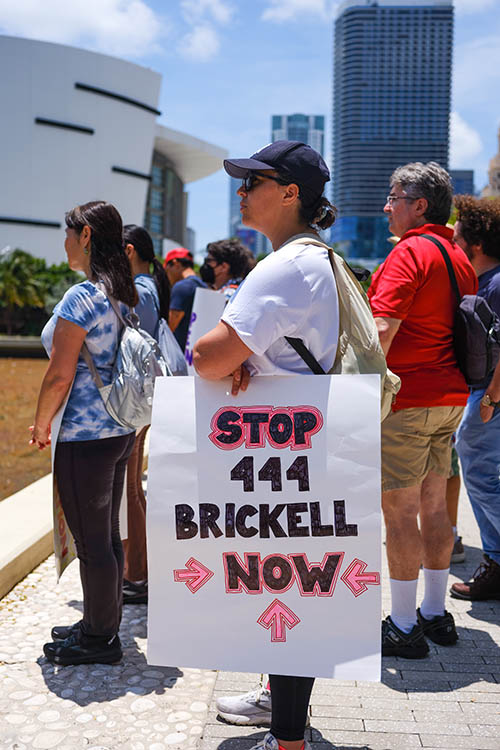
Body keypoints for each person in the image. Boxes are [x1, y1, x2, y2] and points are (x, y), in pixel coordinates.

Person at [193, 140, 337, 750]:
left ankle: (288, 741)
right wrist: (243, 359)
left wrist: (229, 357)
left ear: (290, 193)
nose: (241, 191)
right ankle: (281, 710)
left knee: (287, 587)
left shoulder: (280, 266)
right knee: (290, 583)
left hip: (282, 452)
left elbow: (206, 356)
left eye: (254, 181)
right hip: (299, 446)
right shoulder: (318, 259)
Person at [367, 162, 477, 659]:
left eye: (394, 197)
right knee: (435, 506)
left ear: (420, 204)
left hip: (407, 400)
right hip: (451, 397)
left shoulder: (410, 252)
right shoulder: (459, 255)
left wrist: (358, 392)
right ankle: (436, 613)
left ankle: (403, 624)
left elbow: (382, 327)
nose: (387, 206)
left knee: (399, 511)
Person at [31, 201, 137, 665]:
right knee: (107, 537)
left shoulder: (81, 297)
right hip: (118, 432)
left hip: (83, 437)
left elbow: (59, 375)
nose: (66, 242)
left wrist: (39, 425)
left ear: (87, 235)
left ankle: (99, 640)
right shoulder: (121, 294)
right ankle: (101, 623)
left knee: (93, 543)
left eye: (69, 233)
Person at [450, 195, 500, 601]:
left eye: (458, 231)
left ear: (476, 243)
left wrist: (491, 398)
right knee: (481, 475)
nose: (453, 236)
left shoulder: (497, 283)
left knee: (481, 477)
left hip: (491, 394)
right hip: (482, 392)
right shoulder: (482, 281)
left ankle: (497, 562)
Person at [122, 224, 171, 605]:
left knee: (129, 489)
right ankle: (137, 571)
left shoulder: (139, 289)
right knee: (133, 487)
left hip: (133, 402)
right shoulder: (151, 285)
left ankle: (136, 575)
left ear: (128, 250)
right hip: (143, 400)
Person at [164, 247, 206, 351]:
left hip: (180, 355)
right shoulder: (204, 286)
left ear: (176, 264)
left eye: (167, 270)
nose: (167, 276)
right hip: (196, 354)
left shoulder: (181, 287)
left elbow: (169, 327)